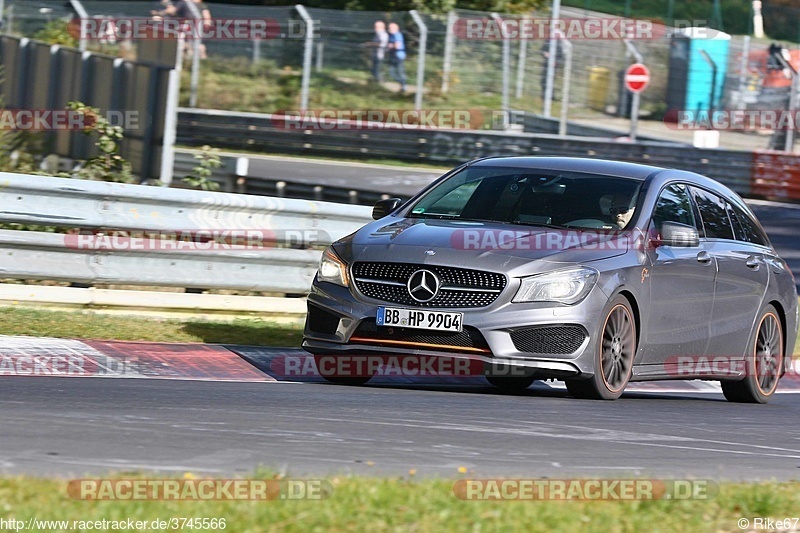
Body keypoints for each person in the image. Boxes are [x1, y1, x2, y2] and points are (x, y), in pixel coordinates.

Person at [387, 22, 407, 94]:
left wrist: (390, 46)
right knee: (392, 73)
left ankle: (403, 86)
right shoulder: (391, 35)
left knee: (400, 72)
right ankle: (402, 84)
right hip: (393, 56)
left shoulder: (397, 35)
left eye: (391, 28)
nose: (389, 29)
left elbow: (397, 46)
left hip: (398, 56)